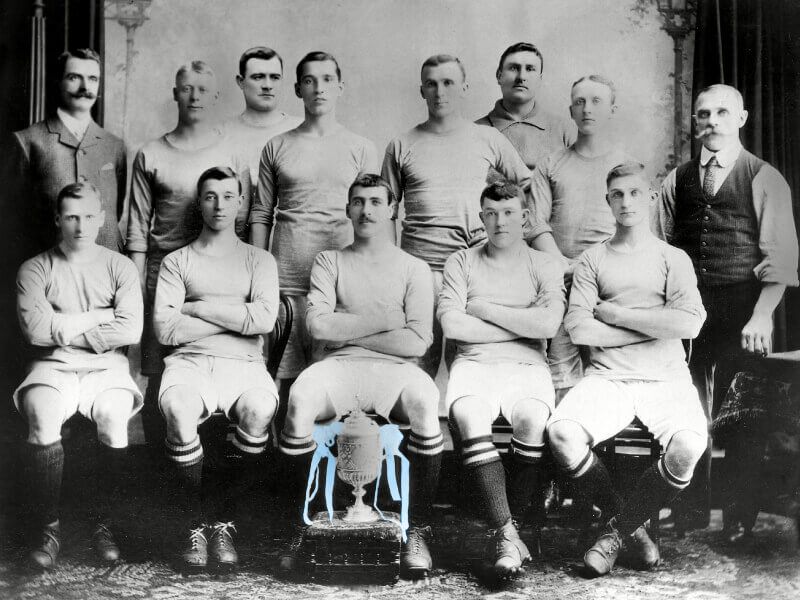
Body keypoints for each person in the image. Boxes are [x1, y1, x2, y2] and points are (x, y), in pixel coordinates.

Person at [547, 162, 708, 577]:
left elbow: (689, 323)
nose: (626, 201)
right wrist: (655, 325)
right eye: (617, 194)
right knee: (561, 433)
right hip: (609, 378)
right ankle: (631, 527)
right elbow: (580, 328)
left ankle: (615, 532)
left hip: (666, 379)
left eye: (635, 193)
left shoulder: (673, 258)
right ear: (608, 201)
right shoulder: (591, 259)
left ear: (651, 197)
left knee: (689, 446)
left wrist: (615, 314)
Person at [278, 174, 442, 579]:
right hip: (339, 367)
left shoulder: (414, 268)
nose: (366, 210)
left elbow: (418, 342)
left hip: (396, 371)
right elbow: (319, 328)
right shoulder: (329, 261)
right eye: (358, 201)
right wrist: (386, 322)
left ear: (392, 210)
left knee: (425, 401)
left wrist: (348, 326)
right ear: (347, 208)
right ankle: (299, 526)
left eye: (375, 201)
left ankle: (416, 529)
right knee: (299, 401)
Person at [655, 83, 799, 534]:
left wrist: (762, 314)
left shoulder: (763, 177)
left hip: (743, 306)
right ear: (694, 122)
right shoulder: (675, 179)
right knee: (685, 408)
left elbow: (782, 258)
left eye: (721, 113)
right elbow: (658, 249)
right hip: (686, 308)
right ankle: (689, 510)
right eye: (703, 114)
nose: (711, 121)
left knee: (743, 415)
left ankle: (739, 518)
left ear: (741, 118)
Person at [153, 167, 279, 572]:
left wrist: (199, 308)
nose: (219, 204)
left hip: (244, 363)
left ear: (241, 202)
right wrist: (234, 317)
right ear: (200, 202)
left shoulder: (259, 260)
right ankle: (194, 522)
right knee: (177, 409)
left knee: (260, 409)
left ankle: (223, 520)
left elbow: (262, 319)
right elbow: (166, 327)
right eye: (210, 196)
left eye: (228, 195)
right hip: (189, 362)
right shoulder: (177, 261)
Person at [439, 180, 565, 578]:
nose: (500, 222)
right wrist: (520, 323)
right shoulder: (462, 261)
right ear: (482, 218)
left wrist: (484, 308)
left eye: (509, 213)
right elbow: (453, 325)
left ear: (524, 217)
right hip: (474, 364)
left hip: (527, 366)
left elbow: (547, 323)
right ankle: (507, 531)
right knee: (471, 416)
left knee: (531, 418)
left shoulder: (543, 264)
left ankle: (515, 527)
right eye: (491, 214)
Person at [15, 182, 143, 570]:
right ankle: (49, 527)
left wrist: (64, 325)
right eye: (71, 216)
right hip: (53, 366)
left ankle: (102, 524)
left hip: (108, 368)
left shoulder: (119, 266)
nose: (81, 225)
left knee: (113, 415)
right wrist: (102, 317)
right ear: (58, 218)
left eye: (88, 216)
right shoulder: (36, 267)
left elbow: (131, 330)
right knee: (42, 415)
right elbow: (35, 331)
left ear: (102, 218)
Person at [382, 54, 532, 377]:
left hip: (475, 269)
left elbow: (527, 186)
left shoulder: (488, 138)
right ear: (421, 90)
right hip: (421, 269)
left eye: (448, 83)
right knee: (417, 365)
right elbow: (385, 213)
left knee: (471, 365)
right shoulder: (401, 145)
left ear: (463, 87)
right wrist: (391, 269)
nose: (440, 92)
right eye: (432, 84)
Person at [126, 61, 250, 430]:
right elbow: (137, 232)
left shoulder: (232, 153)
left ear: (215, 97)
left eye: (203, 89)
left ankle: (205, 468)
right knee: (158, 373)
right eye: (186, 88)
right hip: (161, 276)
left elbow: (239, 224)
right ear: (175, 93)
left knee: (211, 368)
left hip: (216, 279)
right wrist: (136, 296)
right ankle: (158, 475)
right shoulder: (150, 153)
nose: (194, 96)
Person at [249, 51, 378, 399]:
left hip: (342, 281)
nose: (318, 88)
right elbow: (261, 213)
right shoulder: (276, 146)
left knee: (337, 376)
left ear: (340, 87)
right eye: (309, 81)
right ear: (297, 89)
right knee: (285, 376)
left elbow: (375, 218)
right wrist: (257, 276)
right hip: (287, 279)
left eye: (327, 80)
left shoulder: (362, 148)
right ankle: (284, 454)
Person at [528, 74, 633, 398]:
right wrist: (561, 263)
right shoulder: (551, 164)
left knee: (608, 377)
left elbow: (633, 227)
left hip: (608, 285)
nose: (588, 109)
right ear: (571, 110)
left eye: (597, 101)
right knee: (563, 376)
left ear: (612, 110)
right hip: (559, 282)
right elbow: (535, 222)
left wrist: (592, 267)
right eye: (580, 102)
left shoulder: (626, 167)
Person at [6, 48, 126, 257]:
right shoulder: (27, 141)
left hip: (105, 272)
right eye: (74, 77)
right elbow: (13, 219)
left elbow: (117, 209)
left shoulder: (115, 146)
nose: (85, 87)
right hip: (49, 270)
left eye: (92, 79)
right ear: (58, 81)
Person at [476, 42, 575, 172]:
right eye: (513, 68)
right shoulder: (474, 132)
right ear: (499, 76)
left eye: (530, 69)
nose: (521, 77)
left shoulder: (565, 130)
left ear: (540, 79)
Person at [225, 46, 302, 203]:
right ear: (240, 81)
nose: (268, 85)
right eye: (258, 77)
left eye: (274, 77)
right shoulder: (222, 133)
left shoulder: (303, 129)